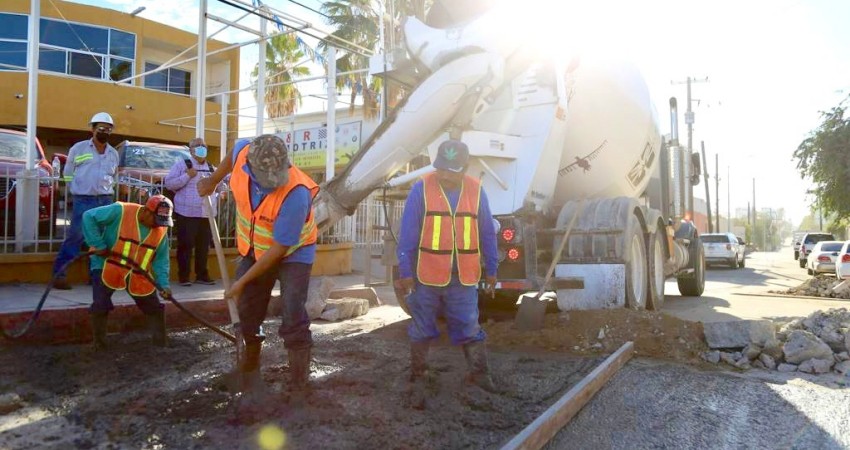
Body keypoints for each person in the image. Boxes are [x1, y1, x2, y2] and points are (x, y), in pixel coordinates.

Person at [198, 135, 318, 396]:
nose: (271, 185)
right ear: (249, 167)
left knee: (292, 309)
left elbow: (278, 250)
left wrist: (240, 283)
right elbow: (233, 152)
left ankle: (299, 383)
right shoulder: (244, 152)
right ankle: (249, 370)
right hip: (253, 248)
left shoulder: (297, 194)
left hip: (294, 254)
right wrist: (213, 180)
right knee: (247, 310)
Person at [396, 139, 499, 409]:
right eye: (441, 169)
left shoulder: (477, 192)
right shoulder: (421, 189)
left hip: (463, 277)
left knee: (469, 324)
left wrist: (492, 269)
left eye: (451, 170)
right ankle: (418, 374)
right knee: (421, 326)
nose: (444, 175)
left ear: (464, 169)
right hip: (425, 276)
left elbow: (487, 232)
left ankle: (479, 374)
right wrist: (405, 271)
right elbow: (408, 233)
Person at [82, 195, 174, 350]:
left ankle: (161, 344)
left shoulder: (160, 230)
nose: (157, 225)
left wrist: (164, 284)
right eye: (156, 220)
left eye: (162, 222)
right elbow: (88, 216)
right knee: (100, 305)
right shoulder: (121, 211)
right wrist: (97, 243)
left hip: (138, 273)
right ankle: (99, 345)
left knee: (154, 307)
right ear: (145, 211)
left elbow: (161, 260)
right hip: (107, 265)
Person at [52, 112, 119, 290]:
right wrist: (74, 190)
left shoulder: (113, 153)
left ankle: (96, 277)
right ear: (92, 129)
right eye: (101, 128)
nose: (104, 131)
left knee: (101, 240)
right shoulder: (78, 148)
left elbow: (114, 176)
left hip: (105, 200)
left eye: (108, 129)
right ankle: (59, 275)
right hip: (84, 200)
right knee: (76, 236)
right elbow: (68, 173)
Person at [164, 137, 217, 286]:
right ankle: (184, 276)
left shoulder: (212, 168)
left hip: (206, 213)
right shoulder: (182, 165)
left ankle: (202, 275)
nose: (201, 148)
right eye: (197, 146)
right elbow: (169, 183)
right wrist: (187, 175)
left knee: (204, 245)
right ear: (191, 150)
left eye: (203, 146)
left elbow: (222, 184)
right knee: (186, 245)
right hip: (187, 212)